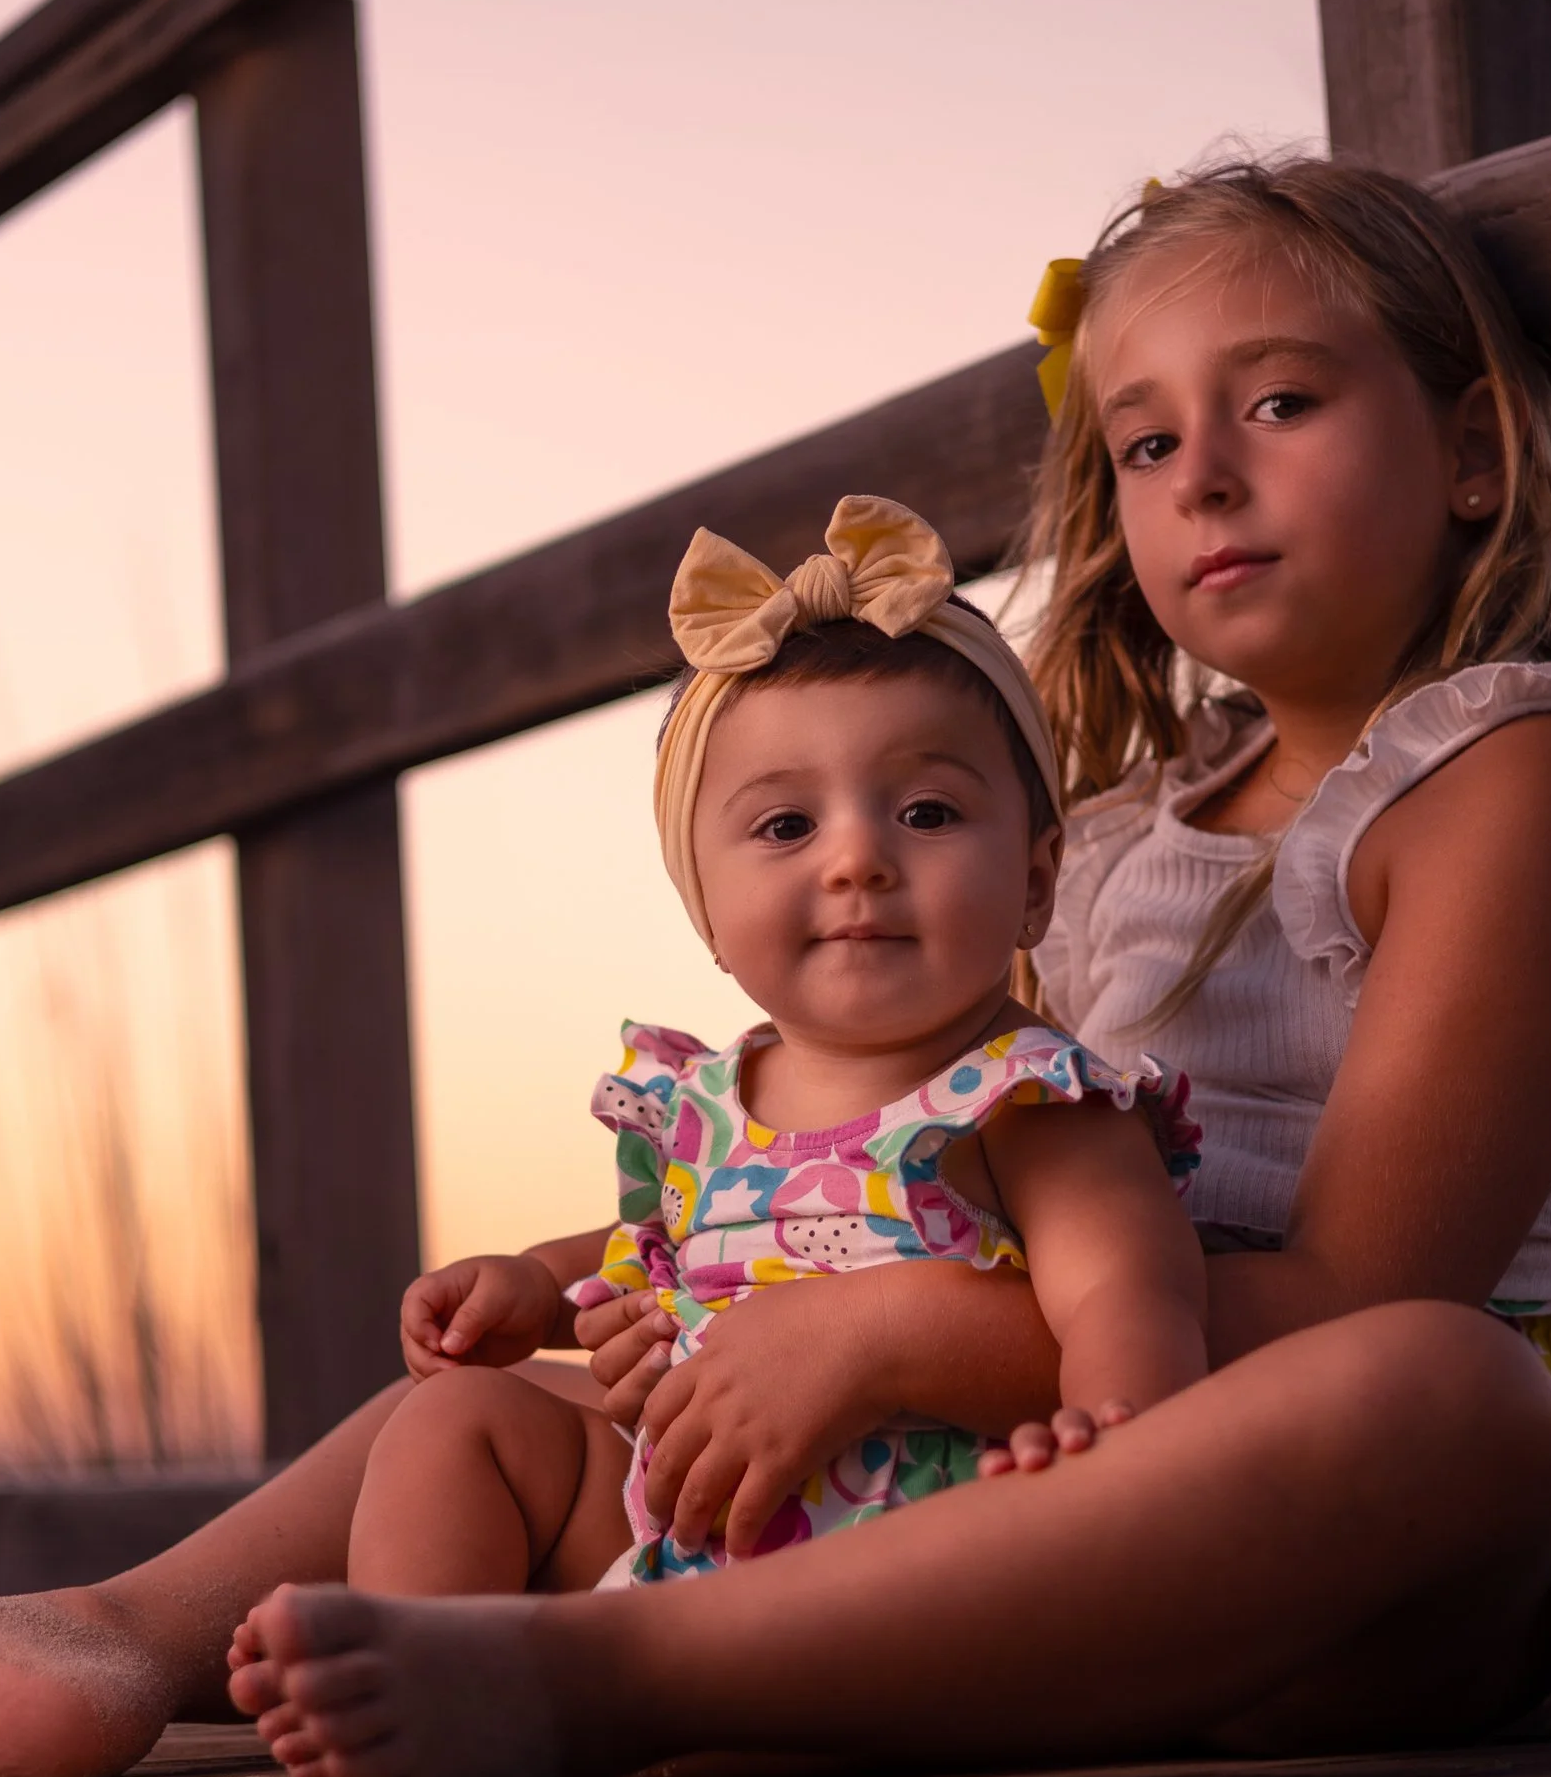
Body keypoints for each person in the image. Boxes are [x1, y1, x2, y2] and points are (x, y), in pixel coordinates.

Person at [0, 151, 1551, 1777]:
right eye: (1137, 441)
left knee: (1433, 1407)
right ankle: (112, 1641)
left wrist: (874, 1340)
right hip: (1044, 1415)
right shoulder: (1122, 824)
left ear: (1475, 446)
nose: (1196, 474)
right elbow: (914, 1162)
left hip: (1416, 1523)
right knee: (491, 1404)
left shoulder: (1522, 776)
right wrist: (624, 1269)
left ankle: (609, 1678)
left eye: (1278, 402)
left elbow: (1349, 1301)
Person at [243, 494, 1206, 1627]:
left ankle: (579, 1679)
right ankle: (430, 1649)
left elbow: (1131, 1294)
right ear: (706, 908)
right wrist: (536, 1286)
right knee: (455, 1419)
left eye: (928, 811)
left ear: (1038, 879)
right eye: (787, 826)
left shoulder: (1027, 1101)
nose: (858, 858)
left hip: (925, 1548)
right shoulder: (700, 1102)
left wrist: (1110, 1446)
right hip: (689, 1525)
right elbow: (660, 1249)